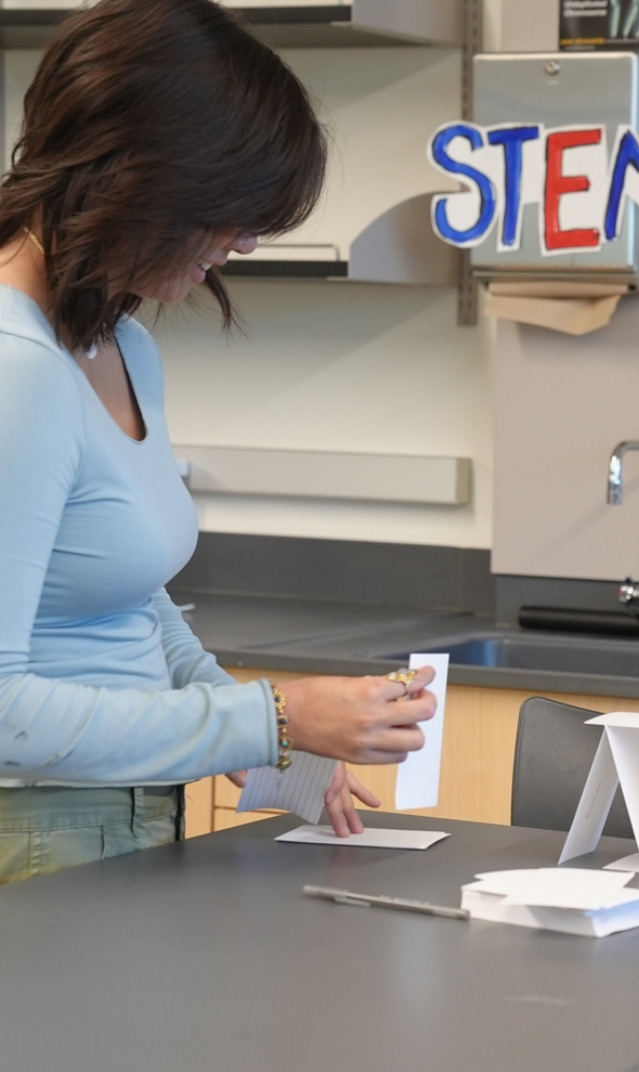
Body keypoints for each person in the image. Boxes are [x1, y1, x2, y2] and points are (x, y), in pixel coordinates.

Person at [0, 0, 436, 885]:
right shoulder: (18, 369)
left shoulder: (119, 344)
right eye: (231, 209)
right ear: (141, 174)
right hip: (40, 823)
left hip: (116, 809)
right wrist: (268, 718)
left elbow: (133, 602)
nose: (242, 242)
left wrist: (269, 736)